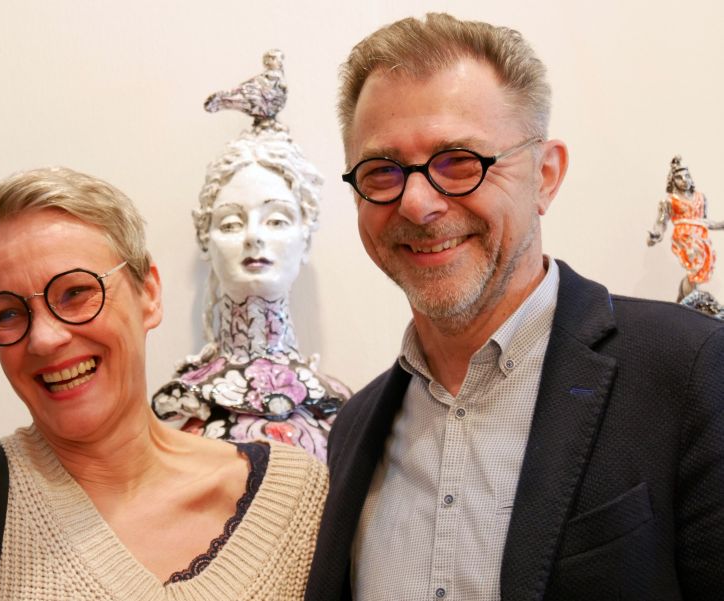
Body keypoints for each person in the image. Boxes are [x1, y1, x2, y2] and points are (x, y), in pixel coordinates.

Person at [306, 12, 724, 601]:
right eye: (382, 172)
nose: (417, 203)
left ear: (545, 176)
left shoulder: (691, 371)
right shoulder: (353, 429)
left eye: (459, 161)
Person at [0, 167, 327, 600]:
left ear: (149, 294)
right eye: (7, 314)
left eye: (76, 292)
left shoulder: (298, 501)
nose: (45, 338)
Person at [152, 56, 349, 462]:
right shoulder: (186, 408)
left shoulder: (340, 411)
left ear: (305, 237)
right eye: (230, 223)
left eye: (277, 220)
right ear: (204, 237)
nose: (254, 237)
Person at [648, 155, 724, 301]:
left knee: (700, 269)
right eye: (679, 178)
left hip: (701, 238)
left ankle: (683, 300)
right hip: (684, 237)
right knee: (694, 268)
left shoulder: (700, 198)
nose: (684, 180)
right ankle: (690, 299)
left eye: (687, 176)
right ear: (672, 180)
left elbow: (704, 221)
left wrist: (720, 224)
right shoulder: (669, 201)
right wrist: (656, 235)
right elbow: (661, 222)